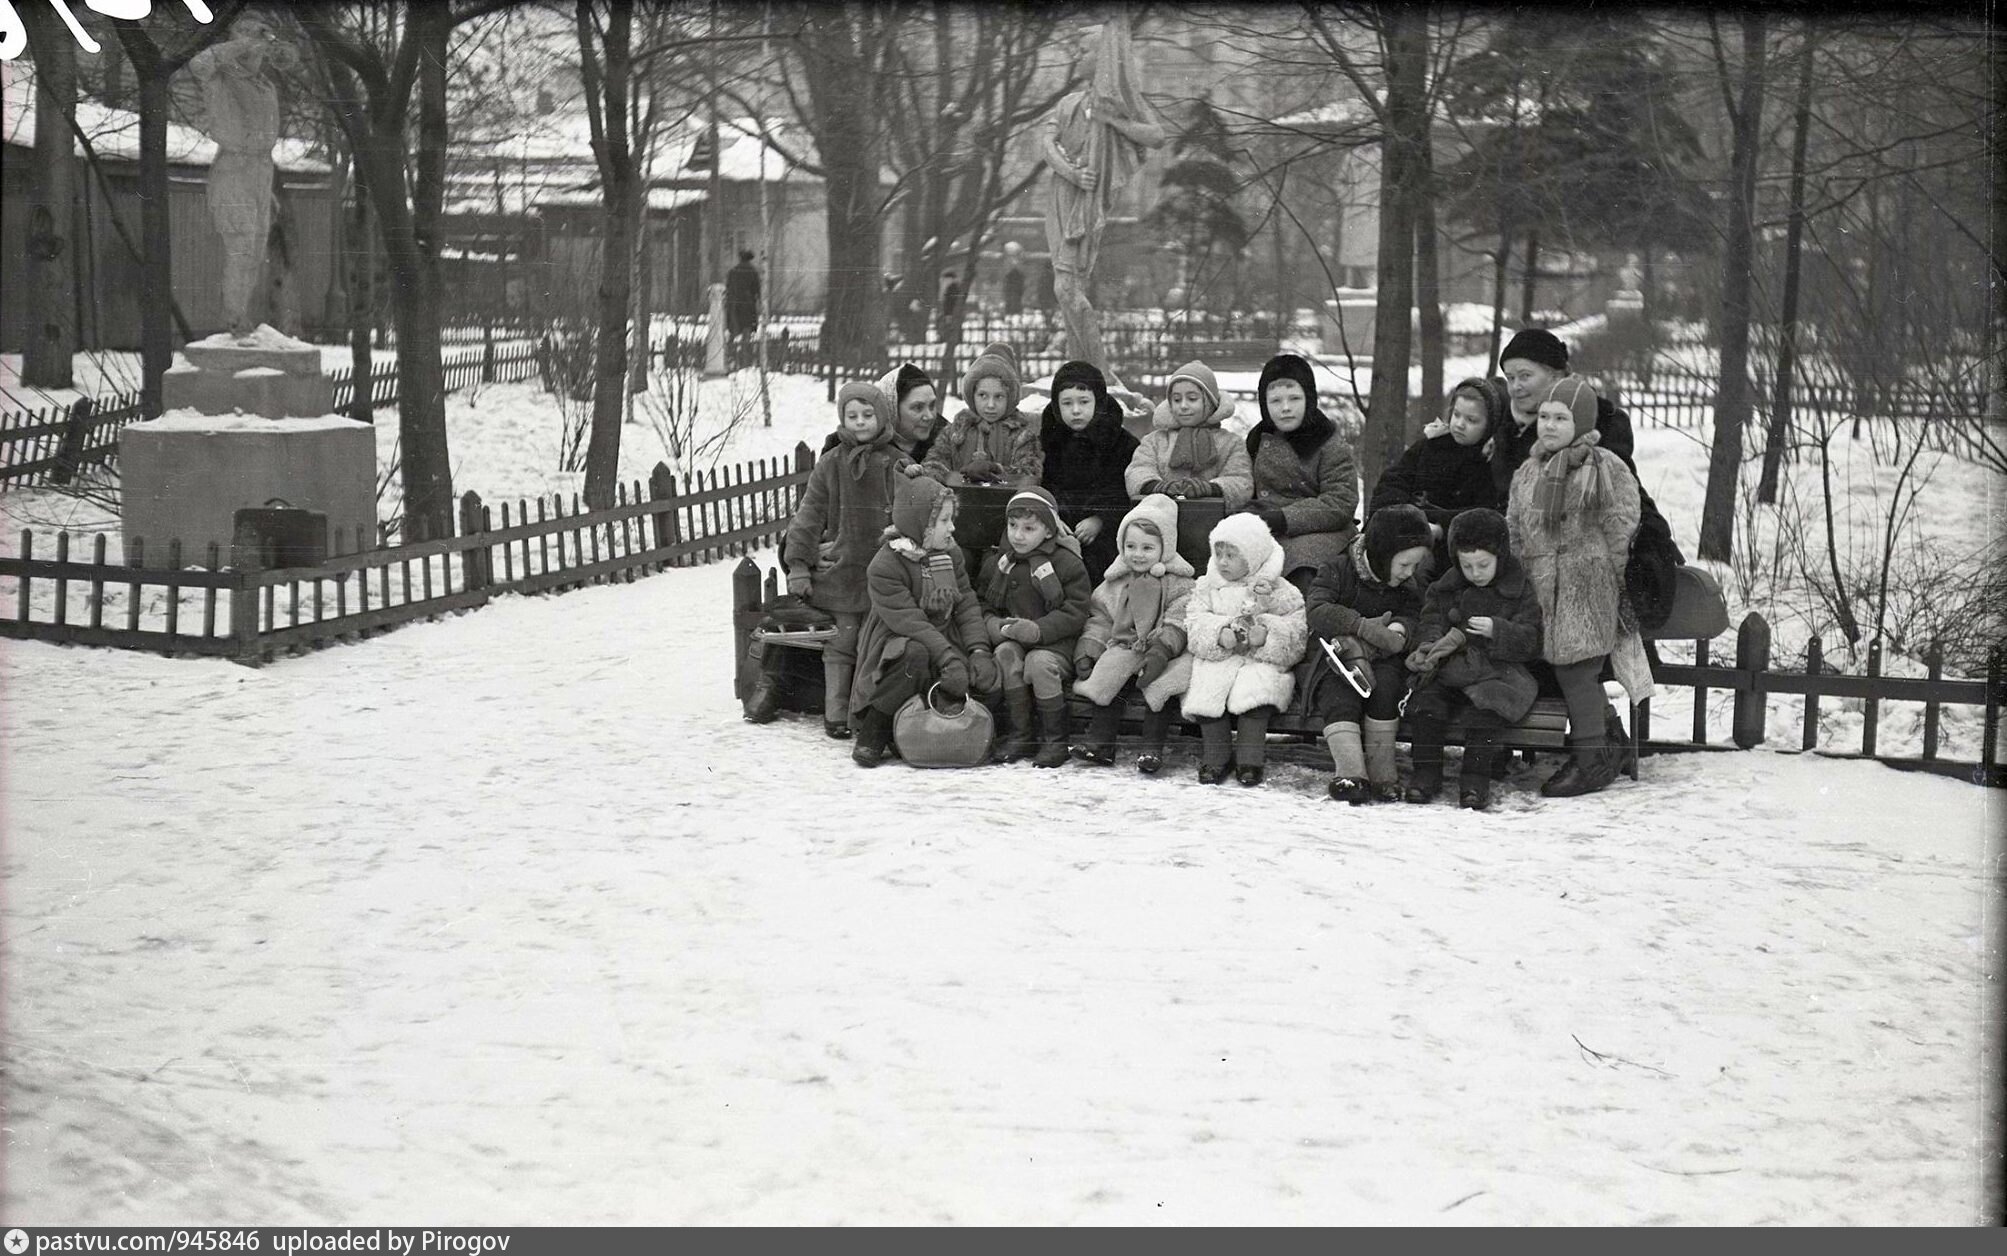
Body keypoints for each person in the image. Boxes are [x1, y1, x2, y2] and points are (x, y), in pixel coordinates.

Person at [1506, 377, 1654, 798]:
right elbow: (1515, 525)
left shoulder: (1604, 466)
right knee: (1564, 669)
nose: (1549, 426)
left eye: (1561, 418)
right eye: (1545, 417)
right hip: (1541, 585)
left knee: (1577, 672)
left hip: (1587, 588)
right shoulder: (1529, 470)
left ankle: (1590, 760)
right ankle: (1614, 743)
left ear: (1582, 421)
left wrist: (1617, 580)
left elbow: (1621, 524)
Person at [1491, 328, 1685, 632]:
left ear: (1556, 375)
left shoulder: (1598, 421)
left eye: (1525, 376)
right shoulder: (1505, 426)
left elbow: (1613, 494)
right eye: (1510, 377)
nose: (1515, 386)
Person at [761, 381, 906, 740]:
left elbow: (912, 509)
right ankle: (836, 713)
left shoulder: (897, 462)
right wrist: (798, 563)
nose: (859, 422)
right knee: (842, 643)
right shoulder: (830, 463)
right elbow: (809, 514)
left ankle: (867, 712)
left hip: (883, 573)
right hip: (841, 572)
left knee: (874, 646)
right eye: (851, 415)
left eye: (868, 415)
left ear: (882, 416)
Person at [1041, 18, 1167, 384]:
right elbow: (1047, 145)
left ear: (1103, 57)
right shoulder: (1068, 103)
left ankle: (1101, 374)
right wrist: (1071, 172)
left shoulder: (1118, 103)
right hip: (1062, 195)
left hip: (1088, 201)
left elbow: (1156, 136)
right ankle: (1077, 370)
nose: (1078, 57)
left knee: (1066, 288)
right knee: (1067, 288)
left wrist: (1115, 121)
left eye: (1084, 51)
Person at [849, 475, 1002, 768]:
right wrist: (948, 658)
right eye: (944, 521)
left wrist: (978, 650)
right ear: (921, 523)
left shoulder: (950, 553)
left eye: (951, 519)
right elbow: (911, 622)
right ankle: (874, 731)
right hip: (898, 640)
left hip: (944, 633)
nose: (952, 527)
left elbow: (966, 603)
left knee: (983, 675)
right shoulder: (885, 565)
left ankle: (955, 735)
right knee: (915, 656)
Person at [1401, 508, 1544, 811]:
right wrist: (1428, 646)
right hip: (1452, 665)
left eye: (1483, 565)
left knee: (1488, 710)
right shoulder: (1447, 586)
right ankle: (1426, 773)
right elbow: (1430, 620)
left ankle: (1475, 781)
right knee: (1427, 703)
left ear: (1500, 557)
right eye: (1467, 566)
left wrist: (1499, 630)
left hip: (1497, 670)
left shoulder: (1518, 588)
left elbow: (1532, 638)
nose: (1475, 573)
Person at [1304, 504, 1434, 805]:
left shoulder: (1407, 584)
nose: (1408, 572)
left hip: (1384, 658)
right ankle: (1350, 774)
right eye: (1403, 564)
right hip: (1336, 659)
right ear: (1382, 554)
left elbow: (1414, 613)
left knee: (1386, 690)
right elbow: (1317, 609)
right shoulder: (1337, 569)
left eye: (1414, 565)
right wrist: (1359, 626)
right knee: (1340, 697)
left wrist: (1401, 631)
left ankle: (1382, 774)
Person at [1181, 511, 1309, 787]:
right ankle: (1217, 755)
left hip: (1259, 662)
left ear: (1253, 556)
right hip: (1219, 659)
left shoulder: (1279, 589)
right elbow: (1193, 620)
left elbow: (1297, 630)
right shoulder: (1207, 586)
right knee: (1206, 695)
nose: (1223, 562)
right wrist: (1219, 633)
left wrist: (1268, 635)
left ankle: (1250, 759)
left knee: (1256, 698)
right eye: (1219, 553)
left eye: (1232, 555)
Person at [1070, 493, 1196, 773]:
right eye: (1131, 546)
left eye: (1147, 548)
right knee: (1108, 677)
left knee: (1159, 688)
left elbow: (1181, 619)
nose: (1137, 554)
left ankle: (1151, 749)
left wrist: (1163, 649)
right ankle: (1100, 743)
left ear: (1164, 548)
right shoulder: (1115, 582)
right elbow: (1100, 618)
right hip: (1126, 646)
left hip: (1164, 650)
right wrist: (1089, 649)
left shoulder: (1179, 583)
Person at [976, 486, 1093, 767]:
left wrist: (1039, 630)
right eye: (1013, 526)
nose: (1018, 535)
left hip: (1056, 643)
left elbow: (1076, 610)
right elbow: (984, 604)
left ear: (1049, 531)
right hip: (1014, 637)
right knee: (1005, 654)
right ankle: (1021, 734)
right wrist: (995, 625)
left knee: (1039, 663)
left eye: (1029, 528)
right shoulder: (999, 564)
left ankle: (1055, 740)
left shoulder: (1066, 563)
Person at [1242, 353, 1360, 592]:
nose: (1285, 408)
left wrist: (1284, 518)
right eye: (1275, 401)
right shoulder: (1257, 439)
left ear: (1309, 398)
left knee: (1301, 567)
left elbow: (1340, 501)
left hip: (1321, 529)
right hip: (1268, 523)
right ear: (1264, 404)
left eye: (1294, 398)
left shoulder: (1328, 441)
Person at [1369, 376, 1507, 571]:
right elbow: (1394, 479)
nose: (1460, 424)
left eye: (1471, 420)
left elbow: (1485, 512)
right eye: (1456, 415)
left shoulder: (1488, 465)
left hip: (1449, 547)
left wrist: (1443, 525)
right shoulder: (1430, 446)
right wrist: (1394, 513)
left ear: (1489, 425)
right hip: (1405, 525)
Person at [1039, 360, 1140, 584]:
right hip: (1058, 528)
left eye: (1084, 402)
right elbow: (1043, 484)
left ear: (1099, 402)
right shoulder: (1050, 440)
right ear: (1056, 405)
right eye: (1066, 403)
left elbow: (1123, 489)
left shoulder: (1121, 443)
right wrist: (1050, 516)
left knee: (1098, 568)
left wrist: (1100, 519)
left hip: (1103, 534)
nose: (1075, 410)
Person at [1125, 360, 1255, 509]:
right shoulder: (1154, 440)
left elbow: (1241, 481)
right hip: (1159, 513)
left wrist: (1212, 489)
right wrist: (1154, 486)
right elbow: (1137, 470)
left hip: (1211, 518)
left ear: (1209, 401)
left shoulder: (1231, 443)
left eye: (1192, 399)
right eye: (1177, 400)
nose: (1184, 406)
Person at [922, 342, 1041, 487]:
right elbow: (934, 462)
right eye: (983, 395)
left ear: (1010, 398)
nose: (990, 405)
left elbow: (1030, 473)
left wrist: (995, 469)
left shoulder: (1021, 435)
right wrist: (955, 477)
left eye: (999, 397)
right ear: (972, 395)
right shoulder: (955, 432)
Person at [825, 362, 940, 469]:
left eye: (932, 406)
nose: (929, 416)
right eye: (918, 407)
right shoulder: (849, 443)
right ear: (891, 408)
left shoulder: (947, 440)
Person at [725, 250, 760, 345]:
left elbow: (728, 289)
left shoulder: (733, 272)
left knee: (733, 331)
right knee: (746, 334)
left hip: (734, 306)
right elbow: (757, 291)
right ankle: (745, 356)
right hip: (748, 307)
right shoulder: (753, 272)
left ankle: (730, 354)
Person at [1001, 244, 1027, 317]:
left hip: (1014, 290)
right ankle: (1013, 313)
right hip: (1015, 290)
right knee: (1014, 300)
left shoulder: (1011, 275)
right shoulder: (1017, 275)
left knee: (1012, 300)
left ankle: (1011, 313)